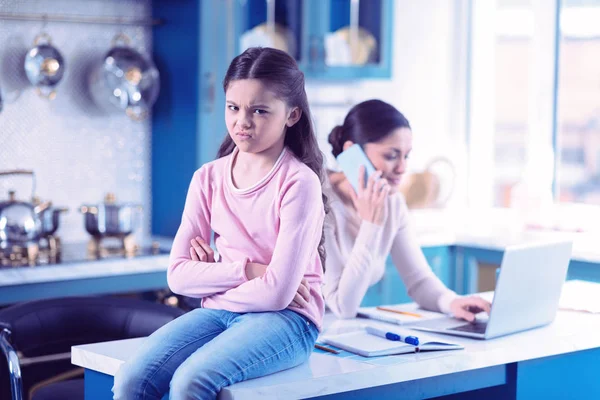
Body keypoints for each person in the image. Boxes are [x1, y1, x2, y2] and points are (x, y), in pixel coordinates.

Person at [112, 47, 327, 400]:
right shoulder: (207, 178)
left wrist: (213, 280)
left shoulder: (299, 183)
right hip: (219, 313)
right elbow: (178, 276)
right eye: (234, 107)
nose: (242, 121)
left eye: (259, 110)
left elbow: (278, 294)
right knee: (132, 378)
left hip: (290, 321)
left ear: (291, 115)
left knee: (190, 382)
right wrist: (253, 271)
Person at [323, 99, 491, 320]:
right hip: (306, 332)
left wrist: (452, 302)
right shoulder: (319, 201)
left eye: (406, 156)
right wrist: (371, 224)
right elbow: (342, 306)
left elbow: (419, 280)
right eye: (391, 156)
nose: (402, 168)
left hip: (341, 331)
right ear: (352, 151)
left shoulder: (392, 202)